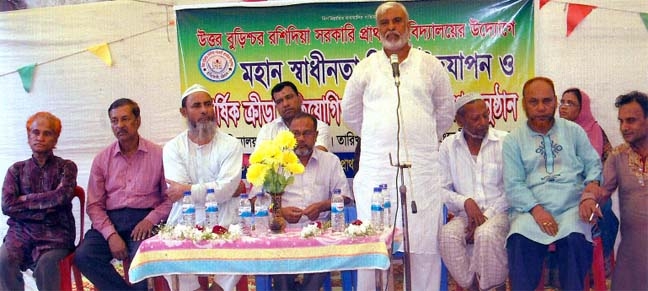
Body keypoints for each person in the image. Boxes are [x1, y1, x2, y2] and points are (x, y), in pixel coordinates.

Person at [342, 2, 454, 289]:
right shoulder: (365, 68)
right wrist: (381, 137)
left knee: (423, 247)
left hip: (421, 171)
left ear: (409, 25)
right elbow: (351, 115)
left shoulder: (430, 66)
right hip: (378, 168)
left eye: (397, 21)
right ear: (376, 30)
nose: (391, 27)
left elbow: (444, 113)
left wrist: (419, 140)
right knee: (374, 246)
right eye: (384, 23)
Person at [502, 77, 603, 291]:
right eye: (534, 102)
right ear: (524, 104)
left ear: (556, 101)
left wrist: (588, 195)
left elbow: (594, 165)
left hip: (570, 207)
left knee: (575, 240)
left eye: (547, 101)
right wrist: (537, 210)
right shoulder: (513, 140)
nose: (541, 108)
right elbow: (513, 184)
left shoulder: (573, 131)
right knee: (519, 241)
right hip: (531, 210)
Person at [74, 98, 173, 291]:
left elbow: (169, 199)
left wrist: (150, 220)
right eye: (114, 121)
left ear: (137, 121)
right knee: (84, 256)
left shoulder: (158, 155)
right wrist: (111, 235)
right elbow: (94, 205)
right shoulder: (102, 159)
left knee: (141, 261)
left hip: (144, 221)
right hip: (111, 220)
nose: (119, 125)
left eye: (125, 119)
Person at [163, 84, 243, 291]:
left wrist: (187, 188)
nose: (204, 110)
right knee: (167, 251)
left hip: (226, 214)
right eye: (196, 106)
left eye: (208, 104)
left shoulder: (231, 144)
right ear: (184, 112)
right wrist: (211, 189)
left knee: (241, 245)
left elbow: (226, 189)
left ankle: (219, 288)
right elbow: (177, 194)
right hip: (185, 216)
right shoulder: (172, 147)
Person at [261, 112, 353, 291]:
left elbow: (345, 196)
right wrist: (280, 211)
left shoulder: (330, 161)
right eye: (295, 133)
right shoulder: (275, 162)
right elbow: (257, 199)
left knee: (325, 254)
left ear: (316, 136)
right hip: (284, 233)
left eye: (307, 133)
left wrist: (322, 206)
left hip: (320, 233)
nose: (301, 138)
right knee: (279, 264)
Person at [438, 94, 509, 291]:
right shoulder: (448, 147)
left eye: (485, 116)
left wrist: (485, 216)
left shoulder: (505, 141)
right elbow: (441, 190)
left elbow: (512, 189)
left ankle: (493, 287)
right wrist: (465, 202)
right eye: (475, 118)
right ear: (459, 120)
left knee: (485, 234)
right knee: (447, 236)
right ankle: (473, 285)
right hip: (464, 215)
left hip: (500, 212)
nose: (483, 122)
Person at [0, 112, 78, 291]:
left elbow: (62, 197)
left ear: (56, 138)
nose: (40, 138)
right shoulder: (16, 170)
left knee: (47, 265)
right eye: (35, 132)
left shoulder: (66, 167)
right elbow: (7, 205)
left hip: (55, 234)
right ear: (28, 136)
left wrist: (23, 201)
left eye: (47, 133)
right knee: (3, 260)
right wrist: (47, 202)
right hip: (20, 233)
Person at [589, 91, 648, 291]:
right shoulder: (618, 156)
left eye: (631, 121)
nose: (624, 127)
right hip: (632, 254)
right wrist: (588, 198)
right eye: (621, 121)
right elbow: (602, 189)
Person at [558, 88, 618, 280]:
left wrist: (593, 188)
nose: (563, 107)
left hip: (591, 187)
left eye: (570, 103)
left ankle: (599, 262)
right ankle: (560, 271)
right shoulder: (552, 131)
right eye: (562, 101)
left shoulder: (595, 131)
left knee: (606, 210)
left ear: (582, 108)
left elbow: (608, 164)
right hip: (560, 189)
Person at [256, 81, 331, 152]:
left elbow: (316, 156)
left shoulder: (319, 127)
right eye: (279, 101)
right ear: (276, 106)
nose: (285, 104)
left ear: (300, 99)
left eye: (289, 97)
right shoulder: (267, 130)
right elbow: (259, 160)